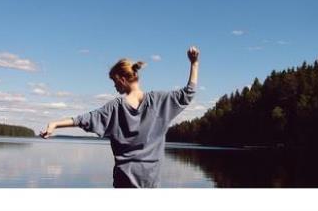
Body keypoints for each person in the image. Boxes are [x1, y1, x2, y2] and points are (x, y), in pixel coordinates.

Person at [40, 46, 199, 188]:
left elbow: (83, 119)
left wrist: (55, 124)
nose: (115, 86)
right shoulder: (159, 101)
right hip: (150, 180)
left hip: (124, 180)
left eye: (115, 82)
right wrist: (194, 64)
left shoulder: (114, 107)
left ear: (123, 80)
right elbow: (188, 93)